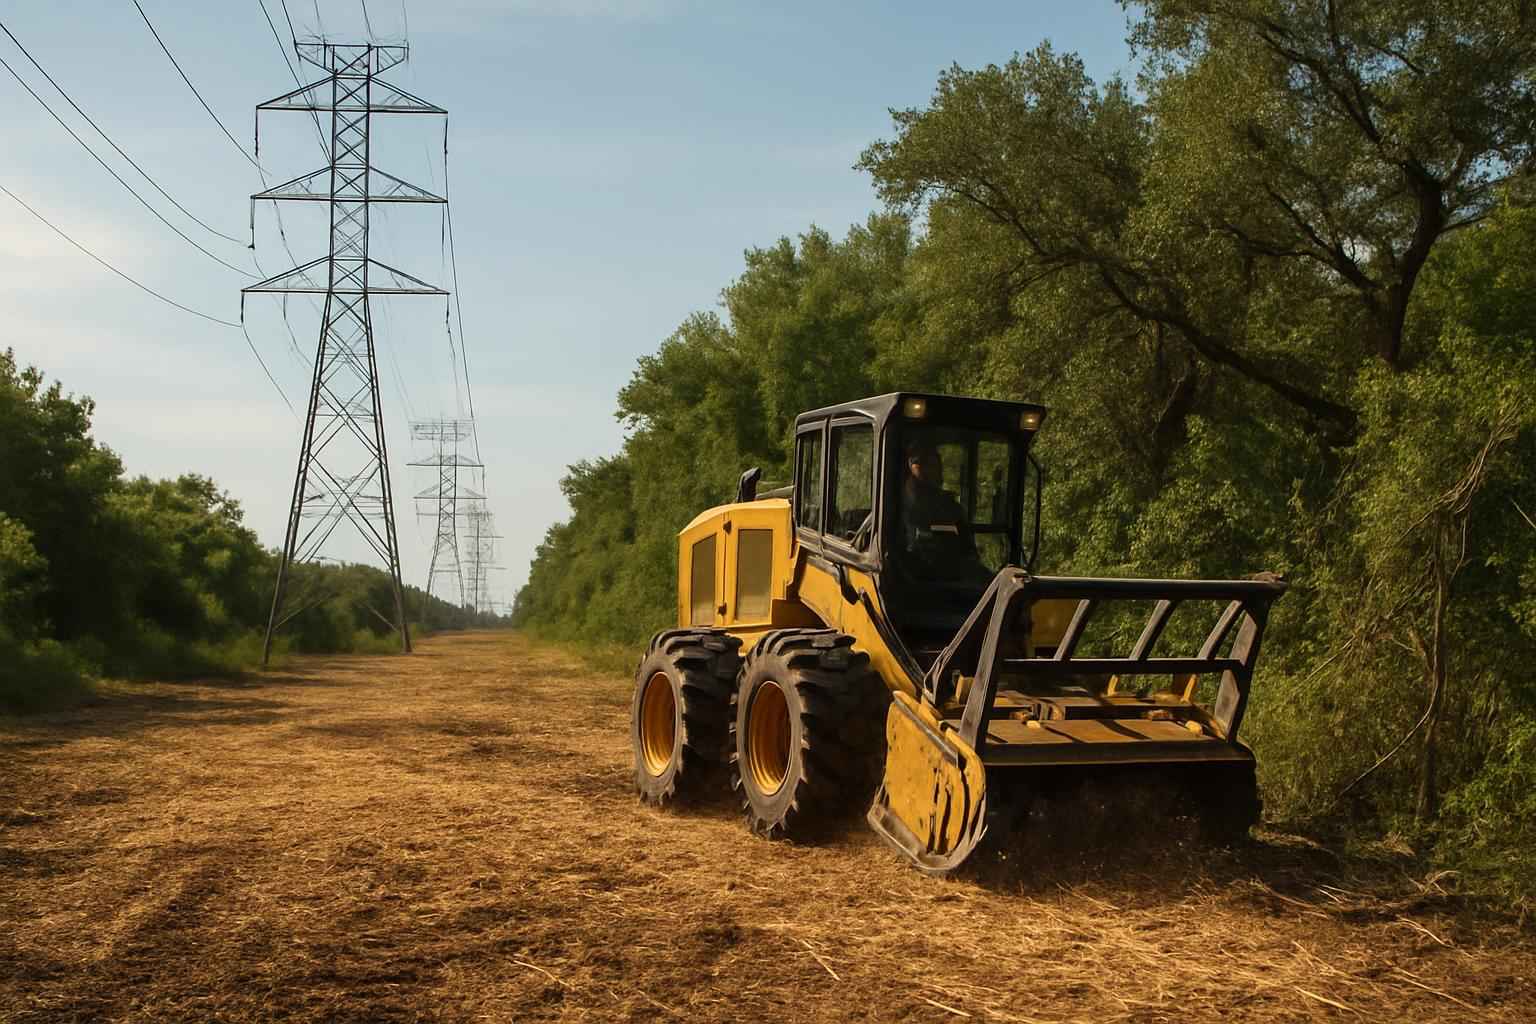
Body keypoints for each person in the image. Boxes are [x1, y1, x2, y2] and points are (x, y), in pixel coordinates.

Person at [900, 441, 975, 562]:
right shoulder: (891, 508)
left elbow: (969, 554)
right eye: (919, 462)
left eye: (932, 464)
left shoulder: (951, 509)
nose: (929, 470)